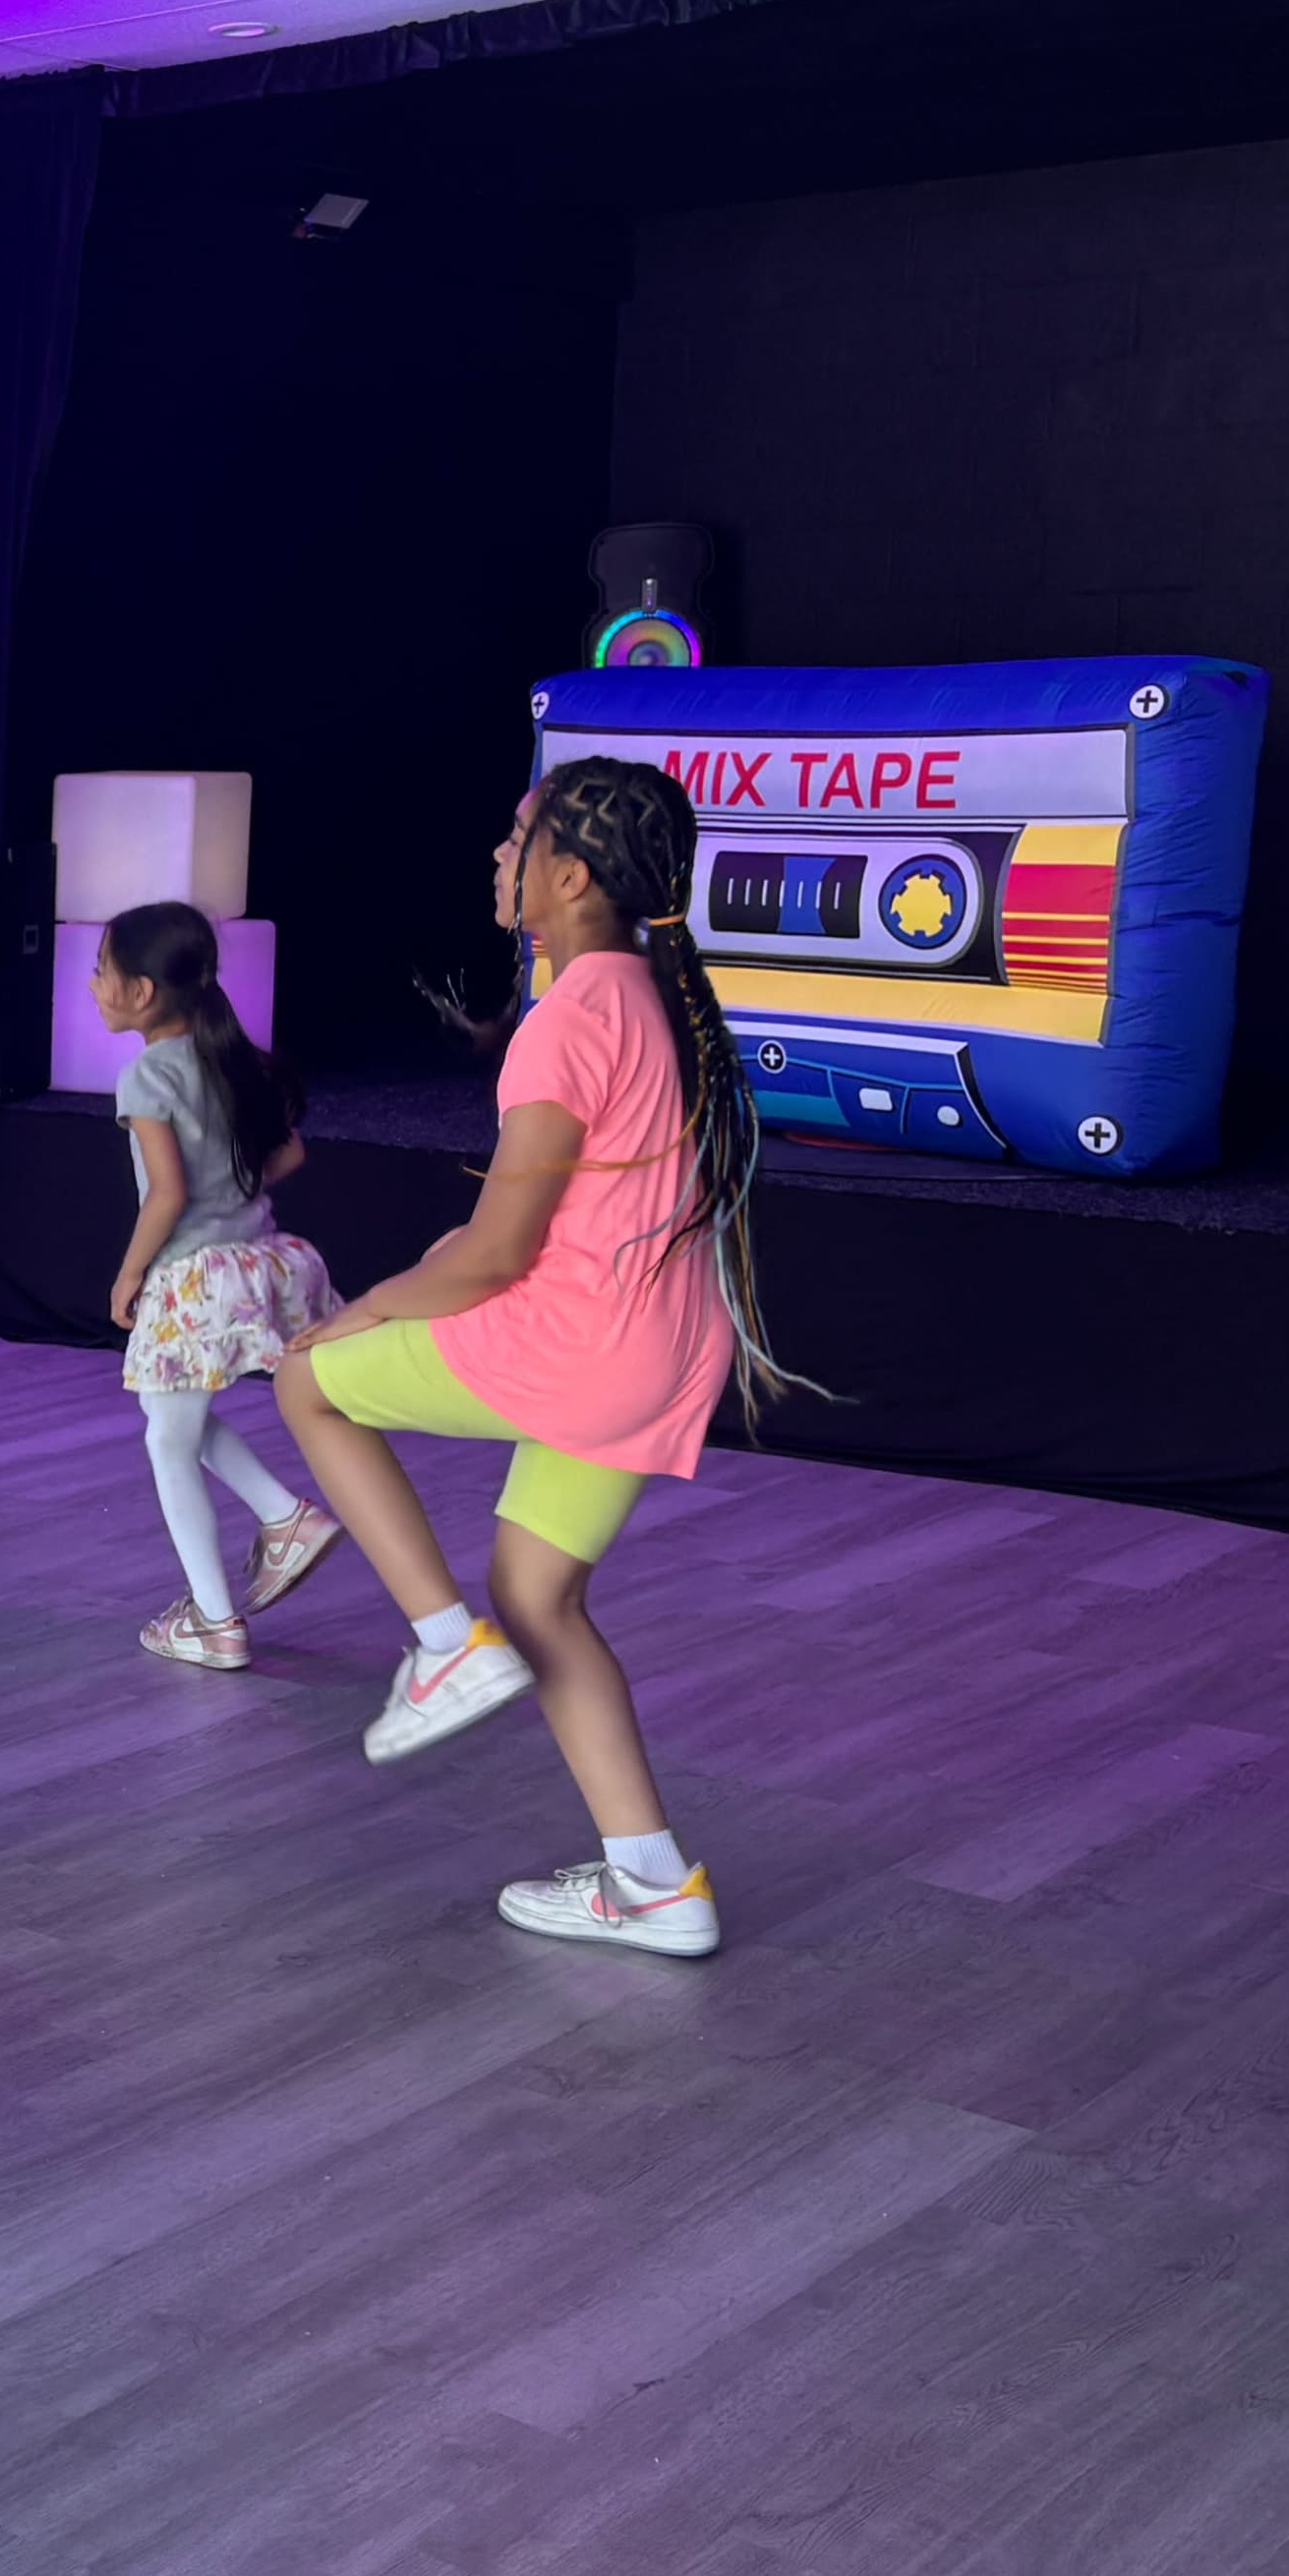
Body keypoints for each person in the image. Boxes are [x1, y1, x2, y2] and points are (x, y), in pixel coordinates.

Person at [273, 756, 810, 1959]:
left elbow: (499, 1251)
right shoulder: (638, 990)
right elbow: (530, 1221)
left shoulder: (568, 1018)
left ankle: (437, 1644)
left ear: (568, 874)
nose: (498, 857)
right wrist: (423, 1277)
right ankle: (655, 1884)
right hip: (662, 1349)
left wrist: (360, 1312)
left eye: (517, 839)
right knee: (540, 1599)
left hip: (581, 1345)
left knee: (308, 1378)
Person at [89, 901, 345, 1671]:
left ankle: (214, 1618)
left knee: (167, 1441)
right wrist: (232, 1194)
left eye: (101, 970)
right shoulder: (225, 1057)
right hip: (253, 1261)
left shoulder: (145, 1075)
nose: (93, 983)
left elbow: (165, 1193)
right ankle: (281, 1517)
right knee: (176, 1426)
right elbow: (289, 1154)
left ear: (140, 991)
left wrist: (129, 1274)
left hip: (190, 1277)